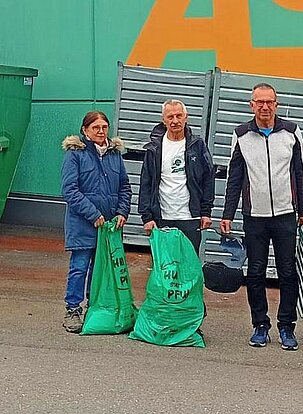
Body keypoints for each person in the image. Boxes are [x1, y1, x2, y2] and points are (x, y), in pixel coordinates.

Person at [221, 83, 303, 351]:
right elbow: (234, 178)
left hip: (285, 214)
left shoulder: (291, 132)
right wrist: (227, 214)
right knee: (255, 272)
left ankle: (286, 326)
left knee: (288, 272)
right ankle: (260, 325)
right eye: (259, 102)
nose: (264, 107)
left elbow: (301, 173)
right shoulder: (241, 135)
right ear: (252, 105)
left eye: (269, 102)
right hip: (255, 215)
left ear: (276, 104)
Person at [60, 111, 132, 333]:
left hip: (109, 227)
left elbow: (124, 187)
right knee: (79, 267)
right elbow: (70, 190)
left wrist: (122, 212)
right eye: (95, 128)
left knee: (100, 269)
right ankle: (73, 309)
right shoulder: (75, 154)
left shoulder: (114, 154)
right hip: (83, 224)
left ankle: (95, 308)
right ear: (85, 130)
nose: (101, 131)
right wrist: (93, 215)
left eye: (104, 127)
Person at [138, 99, 215, 252]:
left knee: (189, 263)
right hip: (162, 218)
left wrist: (206, 212)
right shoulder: (154, 148)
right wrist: (147, 217)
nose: (175, 121)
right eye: (170, 117)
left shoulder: (197, 145)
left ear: (186, 117)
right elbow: (146, 183)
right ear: (163, 120)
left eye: (179, 116)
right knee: (165, 264)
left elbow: (208, 179)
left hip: (190, 218)